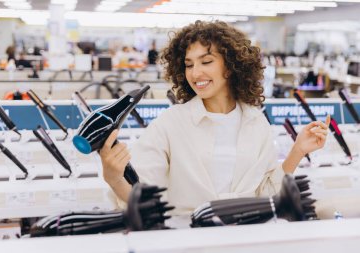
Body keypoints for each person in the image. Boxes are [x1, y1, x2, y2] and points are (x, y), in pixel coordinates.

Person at [100, 21, 330, 215]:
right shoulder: (170, 124)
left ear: (230, 67)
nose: (195, 73)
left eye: (206, 62)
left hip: (244, 239)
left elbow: (266, 194)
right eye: (189, 65)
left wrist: (298, 151)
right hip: (187, 241)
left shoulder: (255, 121)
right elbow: (143, 199)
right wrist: (115, 179)